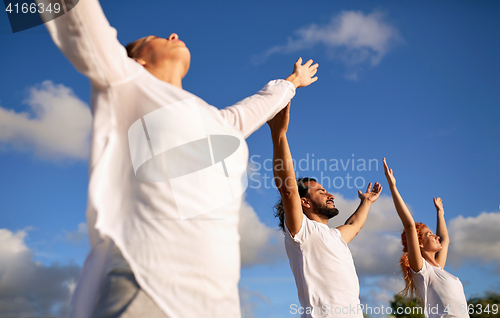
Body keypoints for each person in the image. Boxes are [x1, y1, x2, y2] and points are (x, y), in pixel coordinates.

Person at [36, 0, 319, 317]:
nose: (172, 34)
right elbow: (76, 15)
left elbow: (261, 105)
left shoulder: (218, 121)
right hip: (147, 286)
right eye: (154, 38)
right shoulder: (125, 81)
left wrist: (293, 81)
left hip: (218, 303)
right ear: (138, 59)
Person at [267, 104, 382, 317]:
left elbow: (353, 225)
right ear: (306, 203)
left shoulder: (335, 236)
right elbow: (288, 189)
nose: (330, 195)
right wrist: (279, 135)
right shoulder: (302, 231)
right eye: (321, 191)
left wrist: (366, 202)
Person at [382, 158, 469, 318]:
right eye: (429, 235)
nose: (436, 237)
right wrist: (393, 187)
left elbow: (445, 239)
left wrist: (440, 213)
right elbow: (409, 225)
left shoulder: (438, 268)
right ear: (419, 243)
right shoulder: (423, 271)